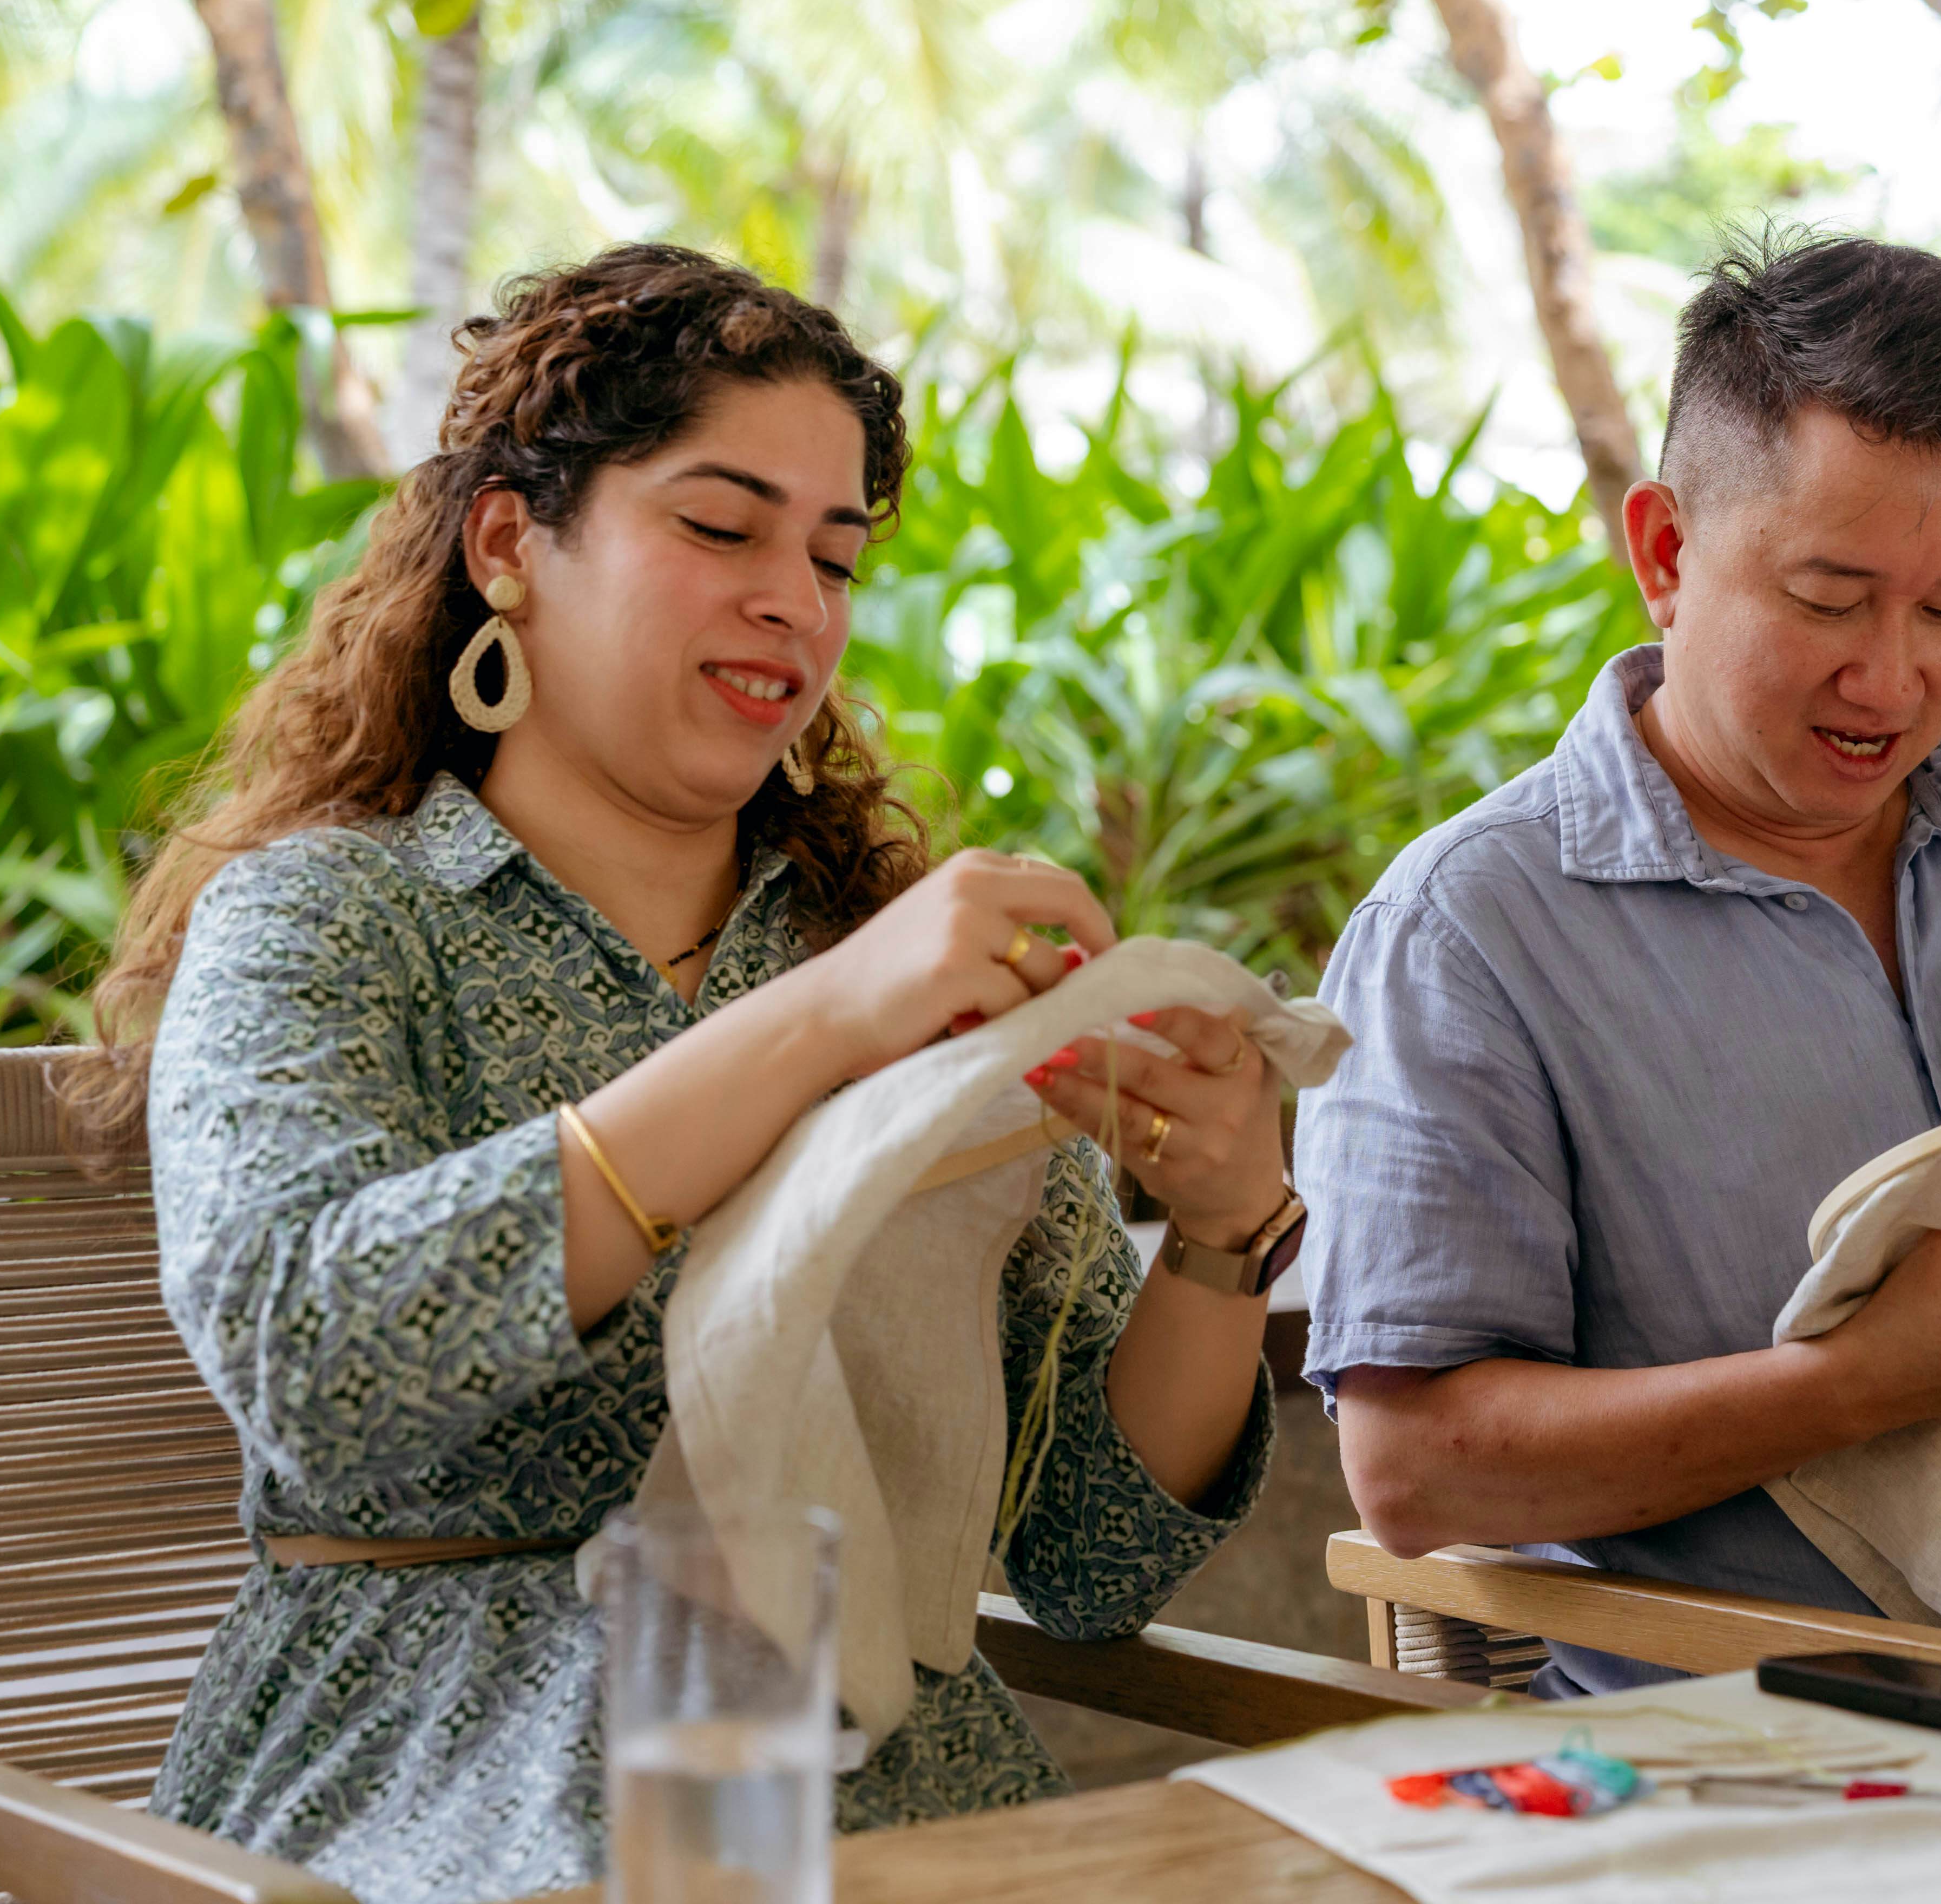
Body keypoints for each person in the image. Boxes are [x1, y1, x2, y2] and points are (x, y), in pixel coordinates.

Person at [70, 246, 1298, 1903]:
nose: (794, 598)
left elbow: (1086, 1558)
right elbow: (313, 1355)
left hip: (892, 1771)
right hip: (437, 1771)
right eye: (721, 528)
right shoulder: (330, 917)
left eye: (836, 553)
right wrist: (821, 1026)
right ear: (511, 543)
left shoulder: (897, 964)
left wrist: (1221, 1237)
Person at [1295, 228, 1941, 1696]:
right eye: (1830, 597)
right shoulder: (1472, 936)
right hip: (1807, 1735)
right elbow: (1411, 1474)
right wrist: (1860, 1387)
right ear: (1665, 552)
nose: (1893, 677)